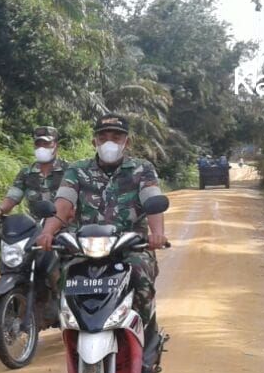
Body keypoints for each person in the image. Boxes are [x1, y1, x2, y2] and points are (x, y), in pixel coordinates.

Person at [36, 113, 168, 316]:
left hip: (132, 246)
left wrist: (157, 233)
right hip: (85, 247)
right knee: (62, 281)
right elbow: (63, 203)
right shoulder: (77, 170)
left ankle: (148, 339)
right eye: (103, 137)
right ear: (94, 142)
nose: (109, 142)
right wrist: (47, 232)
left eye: (116, 137)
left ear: (127, 142)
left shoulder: (143, 169)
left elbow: (152, 199)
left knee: (141, 283)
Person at [0, 126, 67, 225]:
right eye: (38, 144)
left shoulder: (70, 171)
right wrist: (0, 210)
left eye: (46, 144)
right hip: (34, 229)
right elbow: (13, 196)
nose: (42, 148)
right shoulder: (27, 173)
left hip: (64, 228)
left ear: (56, 145)